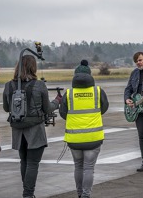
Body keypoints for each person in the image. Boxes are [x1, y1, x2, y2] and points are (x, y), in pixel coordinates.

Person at [2, 54, 61, 198]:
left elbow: (5, 108)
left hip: (18, 130)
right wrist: (57, 101)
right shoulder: (39, 85)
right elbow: (47, 109)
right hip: (35, 130)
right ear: (33, 67)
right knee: (33, 163)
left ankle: (27, 192)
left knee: (24, 161)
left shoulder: (9, 85)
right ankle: (28, 194)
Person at [59, 60, 109, 198]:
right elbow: (103, 108)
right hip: (93, 138)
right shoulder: (98, 91)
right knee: (89, 168)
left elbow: (63, 114)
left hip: (74, 138)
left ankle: (79, 194)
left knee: (78, 166)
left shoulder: (69, 94)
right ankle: (86, 195)